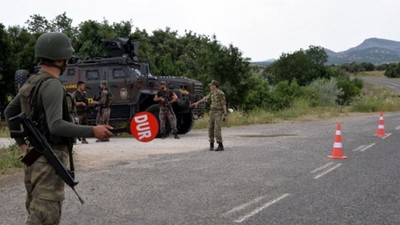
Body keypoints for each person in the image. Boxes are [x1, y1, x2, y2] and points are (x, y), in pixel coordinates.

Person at [4, 32, 114, 225]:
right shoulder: (52, 85)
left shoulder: (31, 82)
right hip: (49, 158)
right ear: (61, 59)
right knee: (46, 216)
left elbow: (9, 114)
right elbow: (56, 125)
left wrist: (23, 146)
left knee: (36, 211)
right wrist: (93, 130)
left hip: (34, 158)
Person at [192, 80, 228, 151]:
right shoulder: (212, 93)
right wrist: (197, 103)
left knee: (217, 128)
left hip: (218, 112)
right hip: (212, 111)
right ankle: (211, 144)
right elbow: (205, 98)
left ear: (214, 86)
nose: (210, 86)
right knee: (210, 127)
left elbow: (223, 104)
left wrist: (225, 114)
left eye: (211, 85)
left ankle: (220, 145)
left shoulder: (221, 93)